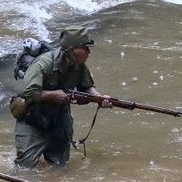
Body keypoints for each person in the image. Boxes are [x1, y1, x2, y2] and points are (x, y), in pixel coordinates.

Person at [11, 27, 112, 168]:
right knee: (24, 168)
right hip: (33, 120)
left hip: (59, 122)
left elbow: (86, 87)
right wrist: (52, 95)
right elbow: (28, 92)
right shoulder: (43, 64)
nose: (89, 52)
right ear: (71, 50)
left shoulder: (80, 66)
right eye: (85, 47)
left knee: (60, 168)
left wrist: (99, 98)